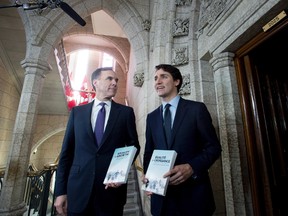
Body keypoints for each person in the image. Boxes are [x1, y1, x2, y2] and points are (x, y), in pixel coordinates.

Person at [54, 67, 140, 216]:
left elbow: (134, 146)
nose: (114, 83)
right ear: (96, 82)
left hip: (111, 192)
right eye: (109, 79)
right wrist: (60, 191)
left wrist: (121, 171)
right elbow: (66, 153)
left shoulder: (126, 113)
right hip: (78, 190)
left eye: (116, 80)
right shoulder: (77, 113)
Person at [143, 64, 222, 216]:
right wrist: (148, 175)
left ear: (177, 81)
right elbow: (149, 152)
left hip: (194, 197)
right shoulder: (151, 117)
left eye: (163, 76)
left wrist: (192, 167)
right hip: (162, 201)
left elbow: (214, 148)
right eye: (155, 78)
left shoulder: (196, 109)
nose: (157, 81)